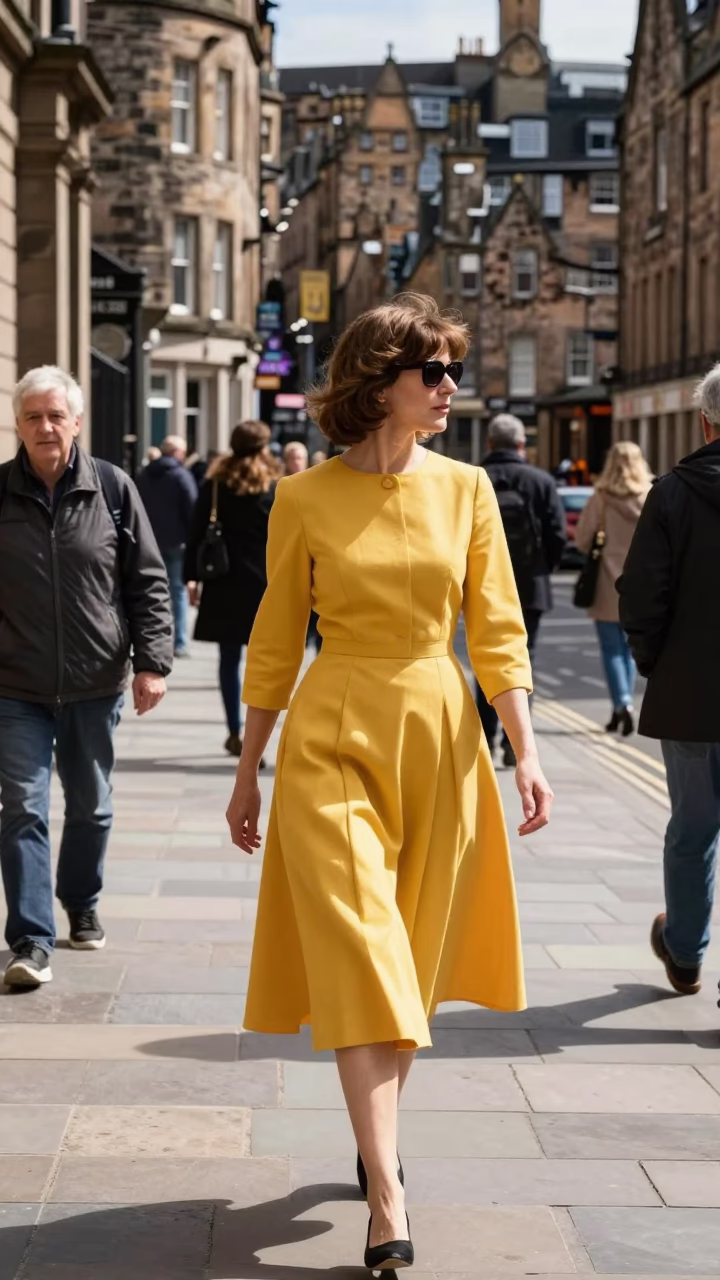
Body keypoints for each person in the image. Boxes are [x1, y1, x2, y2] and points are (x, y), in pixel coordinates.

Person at [225, 294, 553, 1270]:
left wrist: (526, 748)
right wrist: (249, 768)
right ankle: (388, 1190)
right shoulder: (303, 497)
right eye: (435, 371)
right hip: (330, 739)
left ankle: (374, 1143)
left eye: (454, 369)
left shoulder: (468, 490)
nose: (451, 386)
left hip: (441, 737)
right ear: (381, 381)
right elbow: (277, 637)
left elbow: (496, 627)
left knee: (405, 961)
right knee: (365, 951)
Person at [0, 366, 173, 988]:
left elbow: (148, 582)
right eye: (32, 417)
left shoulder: (113, 488)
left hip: (95, 679)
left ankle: (81, 900)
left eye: (55, 416)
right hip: (15, 686)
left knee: (92, 808)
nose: (45, 427)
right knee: (21, 807)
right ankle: (30, 939)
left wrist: (152, 662)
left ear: (76, 421)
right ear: (17, 425)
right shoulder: (2, 492)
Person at [618, 363, 720, 998]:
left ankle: (684, 953)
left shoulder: (673, 493)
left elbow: (641, 597)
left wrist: (658, 664)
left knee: (693, 829)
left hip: (691, 698)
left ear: (705, 421)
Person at [184, 422, 280, 760]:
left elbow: (195, 533)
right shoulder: (275, 486)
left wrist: (191, 578)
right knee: (263, 663)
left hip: (224, 582)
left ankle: (235, 730)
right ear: (263, 447)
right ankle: (257, 739)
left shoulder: (215, 484)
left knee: (229, 660)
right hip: (266, 584)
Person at [475, 414, 566, 767]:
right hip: (530, 586)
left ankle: (485, 736)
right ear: (520, 445)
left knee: (483, 661)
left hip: (480, 587)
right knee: (521, 663)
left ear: (489, 444)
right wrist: (543, 568)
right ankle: (515, 746)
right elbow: (557, 535)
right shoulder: (540, 481)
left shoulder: (472, 479)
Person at [576, 441, 652, 737]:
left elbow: (582, 540)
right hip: (641, 584)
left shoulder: (601, 499)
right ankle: (626, 704)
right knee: (630, 649)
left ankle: (620, 704)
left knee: (611, 650)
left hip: (607, 584)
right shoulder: (650, 495)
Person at [137, 435, 197, 657]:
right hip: (176, 542)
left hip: (149, 540)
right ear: (178, 453)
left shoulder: (144, 475)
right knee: (177, 591)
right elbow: (193, 507)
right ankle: (179, 642)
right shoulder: (181, 476)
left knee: (152, 591)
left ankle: (153, 640)